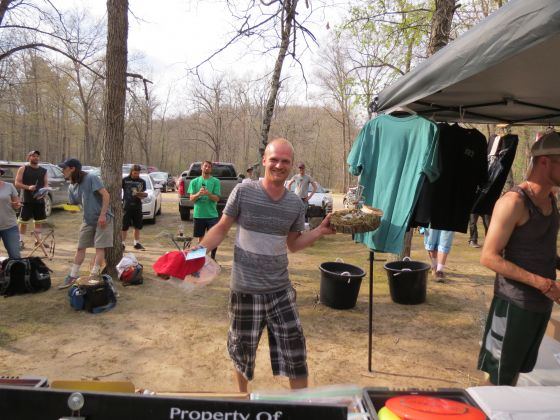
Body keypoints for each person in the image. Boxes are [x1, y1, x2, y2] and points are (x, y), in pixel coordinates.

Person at [197, 138, 336, 392]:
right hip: (245, 290)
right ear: (264, 161)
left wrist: (319, 231)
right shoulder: (244, 191)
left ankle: (300, 407)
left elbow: (293, 244)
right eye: (274, 159)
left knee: (296, 354)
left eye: (285, 161)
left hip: (280, 291)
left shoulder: (294, 204)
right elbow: (221, 228)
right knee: (242, 353)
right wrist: (194, 256)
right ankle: (243, 401)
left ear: (292, 165)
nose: (279, 165)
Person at [478, 131, 560, 386]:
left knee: (515, 374)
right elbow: (489, 257)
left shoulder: (550, 200)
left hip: (541, 305)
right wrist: (543, 284)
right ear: (545, 161)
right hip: (513, 305)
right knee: (498, 377)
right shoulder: (513, 202)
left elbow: (541, 250)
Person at [57, 158, 113, 289]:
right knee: (80, 247)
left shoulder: (91, 178)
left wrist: (103, 214)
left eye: (64, 168)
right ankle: (73, 275)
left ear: (72, 169)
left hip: (103, 218)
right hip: (88, 220)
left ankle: (93, 275)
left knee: (99, 247)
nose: (62, 171)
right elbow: (75, 206)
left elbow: (106, 195)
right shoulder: (71, 186)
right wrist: (71, 209)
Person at [15, 150, 48, 249]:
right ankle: (20, 241)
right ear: (29, 157)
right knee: (23, 222)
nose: (36, 157)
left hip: (39, 200)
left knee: (38, 222)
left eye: (37, 156)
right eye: (33, 156)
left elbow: (46, 184)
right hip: (26, 200)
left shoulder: (44, 170)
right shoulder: (23, 168)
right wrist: (28, 187)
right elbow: (17, 183)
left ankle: (38, 241)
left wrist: (44, 192)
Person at [187, 160, 220, 259]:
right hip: (199, 215)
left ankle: (213, 258)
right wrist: (199, 194)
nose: (207, 168)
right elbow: (191, 199)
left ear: (211, 169)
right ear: (201, 167)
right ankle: (200, 259)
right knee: (200, 238)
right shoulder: (194, 182)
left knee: (213, 238)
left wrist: (208, 194)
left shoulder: (216, 181)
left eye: (209, 167)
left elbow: (217, 199)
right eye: (205, 166)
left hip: (212, 215)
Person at [121, 165, 147, 250]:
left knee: (137, 226)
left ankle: (136, 243)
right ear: (131, 172)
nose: (136, 175)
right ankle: (122, 244)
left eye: (138, 173)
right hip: (126, 206)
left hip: (137, 206)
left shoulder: (142, 181)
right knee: (124, 226)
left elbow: (143, 194)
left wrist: (140, 195)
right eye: (135, 173)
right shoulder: (125, 180)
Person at [0, 168, 22, 258]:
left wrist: (16, 205)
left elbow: (17, 205)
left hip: (9, 226)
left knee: (15, 256)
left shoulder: (9, 186)